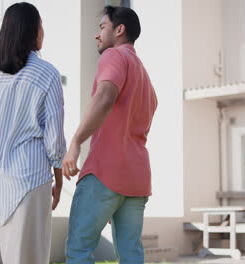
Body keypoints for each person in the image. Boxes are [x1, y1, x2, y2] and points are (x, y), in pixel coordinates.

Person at [62, 5, 158, 264]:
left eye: (102, 27)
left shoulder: (114, 56)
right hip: (137, 179)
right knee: (131, 254)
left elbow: (105, 96)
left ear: (119, 30)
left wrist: (76, 141)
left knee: (78, 250)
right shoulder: (145, 78)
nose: (97, 34)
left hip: (105, 172)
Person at [0, 3, 66, 264]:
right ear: (31, 30)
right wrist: (58, 180)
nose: (43, 31)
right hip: (30, 178)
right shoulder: (46, 73)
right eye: (41, 24)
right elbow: (54, 140)